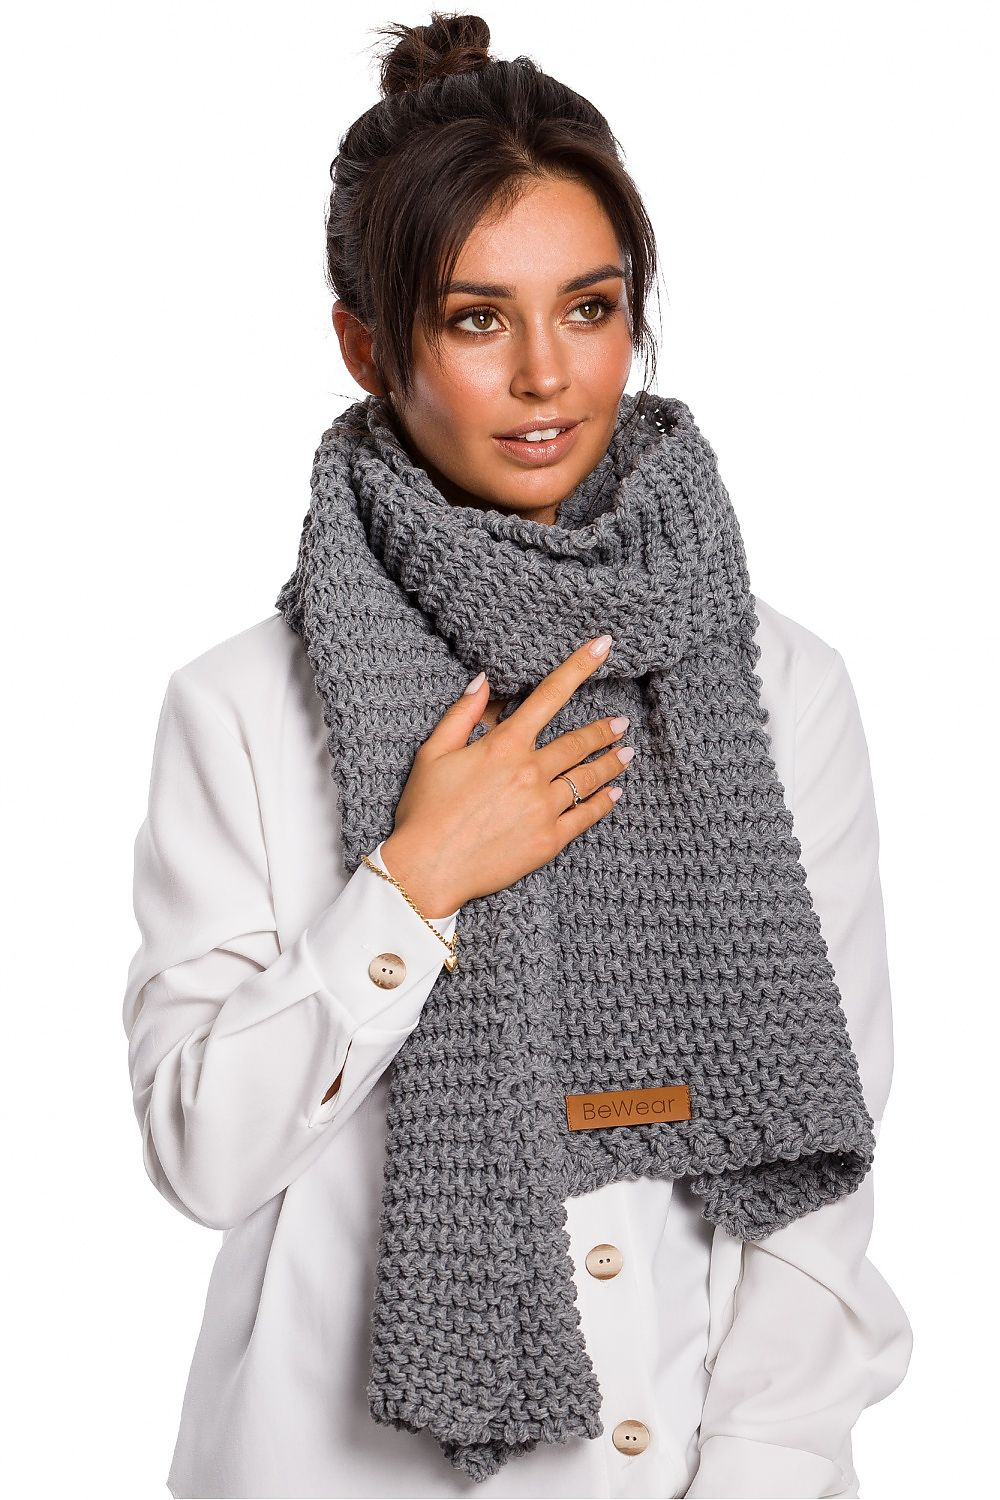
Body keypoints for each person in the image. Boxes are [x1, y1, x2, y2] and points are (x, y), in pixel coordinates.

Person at [121, 13, 913, 1498]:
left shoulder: (778, 683)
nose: (549, 374)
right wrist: (415, 881)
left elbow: (822, 1159)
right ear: (369, 344)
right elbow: (202, 1156)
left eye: (590, 307)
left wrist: (758, 1473)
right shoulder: (243, 706)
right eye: (478, 320)